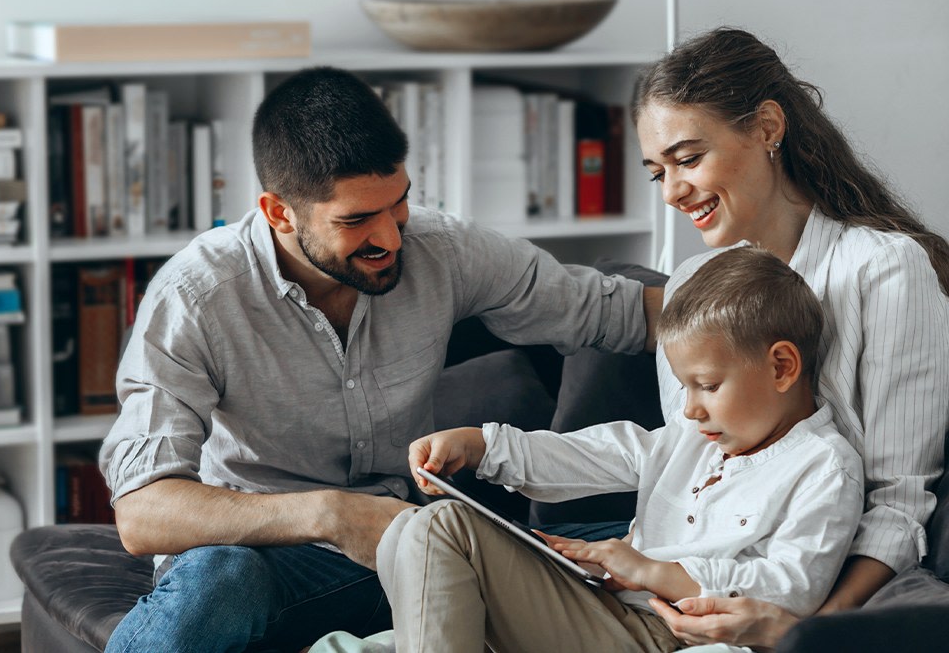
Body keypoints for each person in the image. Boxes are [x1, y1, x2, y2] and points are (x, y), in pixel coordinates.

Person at [96, 66, 664, 653]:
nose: (390, 238)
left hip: (416, 548)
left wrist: (757, 296)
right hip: (268, 563)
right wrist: (333, 515)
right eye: (355, 220)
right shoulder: (198, 296)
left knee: (655, 544)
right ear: (279, 212)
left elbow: (622, 312)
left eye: (399, 204)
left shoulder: (442, 251)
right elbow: (144, 513)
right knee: (220, 579)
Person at [313, 246, 864, 653]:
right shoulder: (692, 439)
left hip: (662, 635)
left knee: (442, 527)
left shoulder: (823, 466)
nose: (690, 409)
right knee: (407, 533)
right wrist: (482, 446)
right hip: (603, 608)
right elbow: (595, 453)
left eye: (708, 386)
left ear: (782, 367)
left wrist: (653, 571)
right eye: (684, 388)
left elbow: (794, 588)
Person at [633, 27, 949, 649]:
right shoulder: (691, 283)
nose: (671, 192)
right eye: (656, 173)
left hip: (809, 591)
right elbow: (688, 460)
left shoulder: (883, 270)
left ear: (768, 128)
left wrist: (803, 630)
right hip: (685, 589)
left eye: (689, 159)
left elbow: (899, 503)